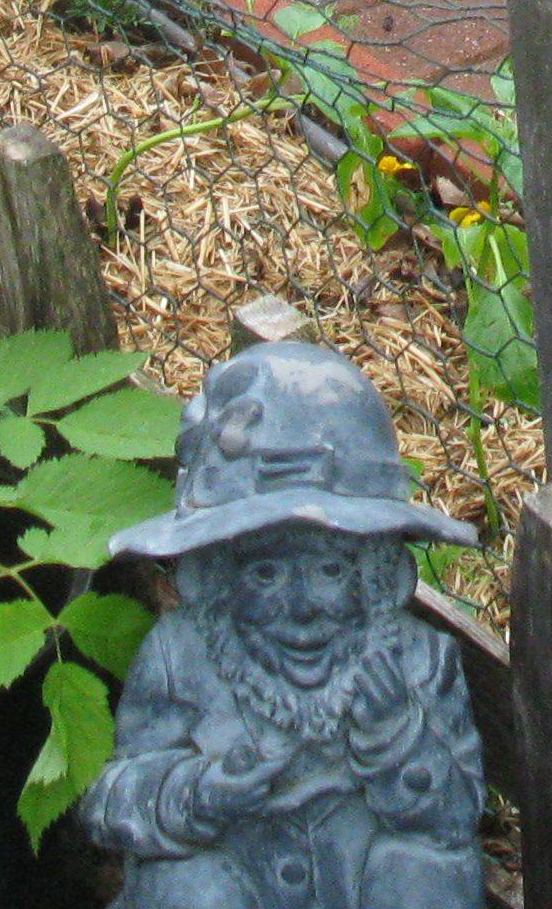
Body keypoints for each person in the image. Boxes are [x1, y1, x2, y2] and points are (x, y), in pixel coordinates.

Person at [82, 343, 485, 909]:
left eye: (328, 569)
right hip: (235, 889)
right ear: (215, 576)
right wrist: (198, 792)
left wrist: (399, 740)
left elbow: (456, 818)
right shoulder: (181, 658)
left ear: (375, 577)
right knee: (184, 886)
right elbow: (110, 805)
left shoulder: (418, 661)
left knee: (427, 868)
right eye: (266, 571)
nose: (301, 607)